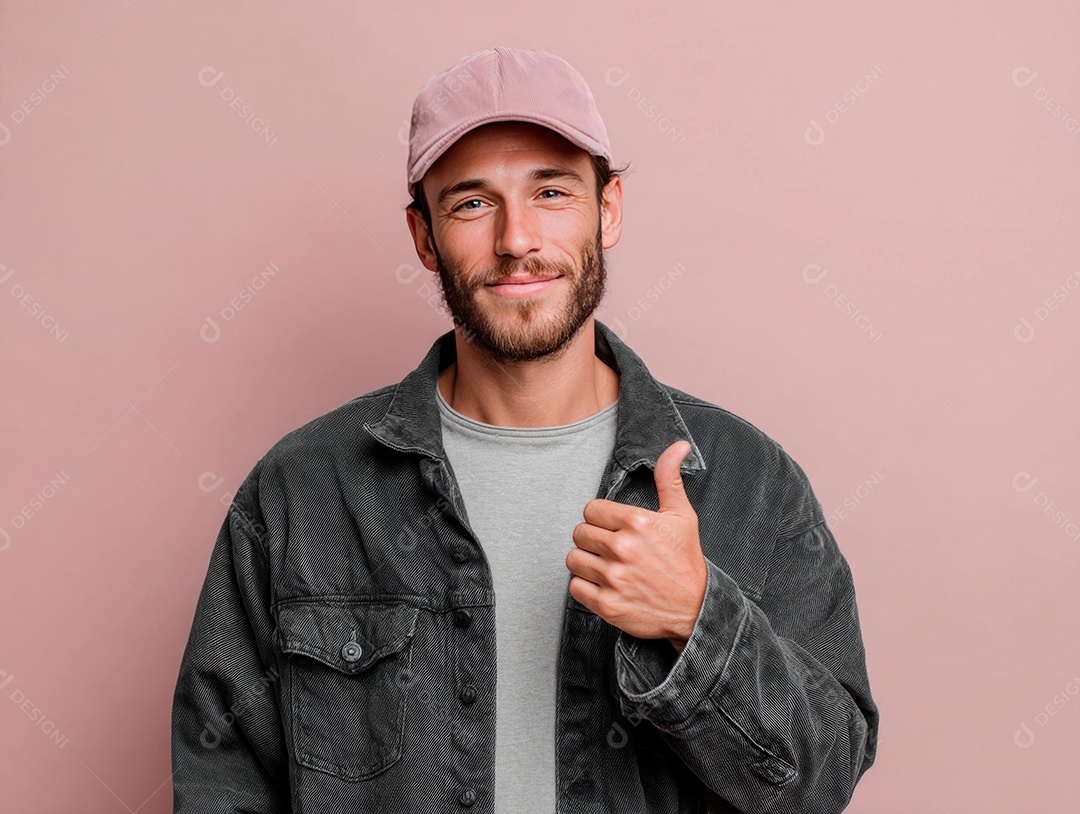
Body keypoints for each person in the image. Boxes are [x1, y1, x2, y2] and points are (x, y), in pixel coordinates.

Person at [171, 46, 878, 814]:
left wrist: (697, 615)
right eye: (472, 203)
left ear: (607, 210)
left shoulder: (747, 483)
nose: (516, 239)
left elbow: (821, 781)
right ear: (423, 235)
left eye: (551, 192)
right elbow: (223, 785)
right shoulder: (302, 492)